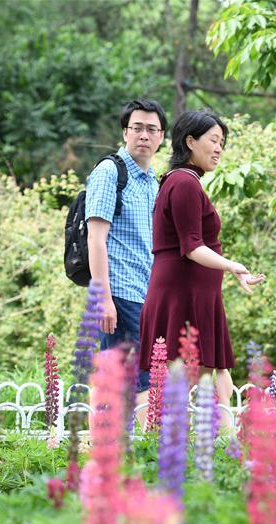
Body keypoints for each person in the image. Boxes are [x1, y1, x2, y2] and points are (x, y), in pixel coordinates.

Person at [138, 110, 264, 432]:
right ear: (190, 141)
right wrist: (233, 266)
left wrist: (228, 271)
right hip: (182, 291)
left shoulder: (185, 182)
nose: (219, 149)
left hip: (197, 292)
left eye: (222, 142)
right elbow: (192, 246)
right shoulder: (183, 183)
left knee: (215, 365)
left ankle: (224, 435)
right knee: (177, 371)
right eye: (213, 140)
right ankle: (155, 439)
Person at [86, 98, 167, 414]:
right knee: (140, 386)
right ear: (125, 133)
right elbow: (96, 238)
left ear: (161, 137)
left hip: (146, 295)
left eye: (152, 129)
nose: (144, 136)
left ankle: (110, 450)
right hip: (119, 294)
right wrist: (102, 298)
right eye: (137, 128)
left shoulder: (152, 181)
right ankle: (133, 455)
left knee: (125, 383)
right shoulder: (110, 172)